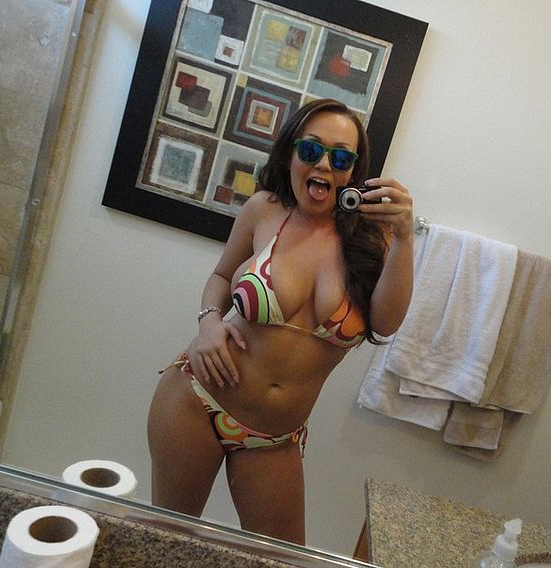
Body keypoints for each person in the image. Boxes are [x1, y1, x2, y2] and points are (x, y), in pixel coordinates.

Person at [147, 98, 414, 545]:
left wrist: (405, 238)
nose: (324, 165)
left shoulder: (374, 238)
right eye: (311, 150)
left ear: (353, 171)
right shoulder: (263, 210)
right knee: (166, 544)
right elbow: (220, 276)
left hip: (273, 439)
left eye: (341, 158)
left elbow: (386, 323)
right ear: (291, 153)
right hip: (196, 399)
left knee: (281, 560)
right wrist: (209, 323)